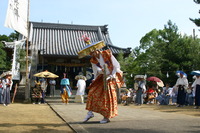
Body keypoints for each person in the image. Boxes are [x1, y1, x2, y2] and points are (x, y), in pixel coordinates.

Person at [81, 39, 124, 124]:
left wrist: (112, 75)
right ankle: (90, 112)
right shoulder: (93, 60)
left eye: (93, 51)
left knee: (107, 97)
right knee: (92, 92)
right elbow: (96, 70)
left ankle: (106, 117)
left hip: (110, 77)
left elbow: (116, 66)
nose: (92, 54)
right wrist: (97, 76)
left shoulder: (107, 53)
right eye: (90, 53)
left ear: (96, 49)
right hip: (101, 78)